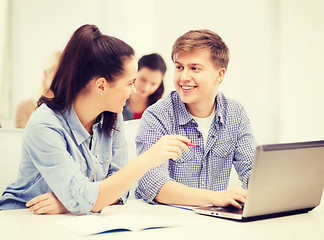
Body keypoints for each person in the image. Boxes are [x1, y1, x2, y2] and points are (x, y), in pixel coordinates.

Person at [0, 24, 191, 215]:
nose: (133, 91)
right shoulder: (44, 125)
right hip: (24, 217)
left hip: (76, 219)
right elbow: (91, 196)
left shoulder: (113, 117)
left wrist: (73, 202)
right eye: (130, 82)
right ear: (101, 86)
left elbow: (120, 190)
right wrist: (148, 159)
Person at [135, 29, 257, 209]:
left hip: (215, 222)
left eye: (194, 68)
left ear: (220, 74)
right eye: (179, 67)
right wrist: (215, 197)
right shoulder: (157, 115)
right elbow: (154, 185)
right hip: (165, 222)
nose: (184, 77)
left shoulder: (235, 113)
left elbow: (252, 173)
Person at [15, 51, 62, 128]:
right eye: (58, 74)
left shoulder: (71, 109)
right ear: (46, 74)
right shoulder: (24, 109)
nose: (62, 79)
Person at [122, 53, 166, 120]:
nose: (146, 87)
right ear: (135, 73)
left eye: (153, 84)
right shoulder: (117, 101)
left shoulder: (161, 110)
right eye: (143, 80)